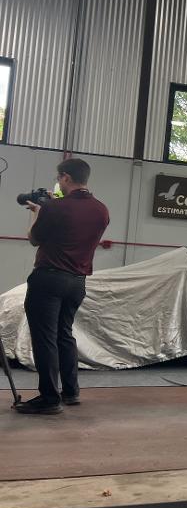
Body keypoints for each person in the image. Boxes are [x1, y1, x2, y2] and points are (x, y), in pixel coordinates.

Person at [16, 158, 109, 415]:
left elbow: (34, 239)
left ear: (66, 177)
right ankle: (70, 392)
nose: (58, 182)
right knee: (64, 334)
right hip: (78, 282)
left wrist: (37, 213)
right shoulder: (101, 210)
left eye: (59, 178)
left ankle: (49, 398)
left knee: (45, 338)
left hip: (48, 279)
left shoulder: (54, 208)